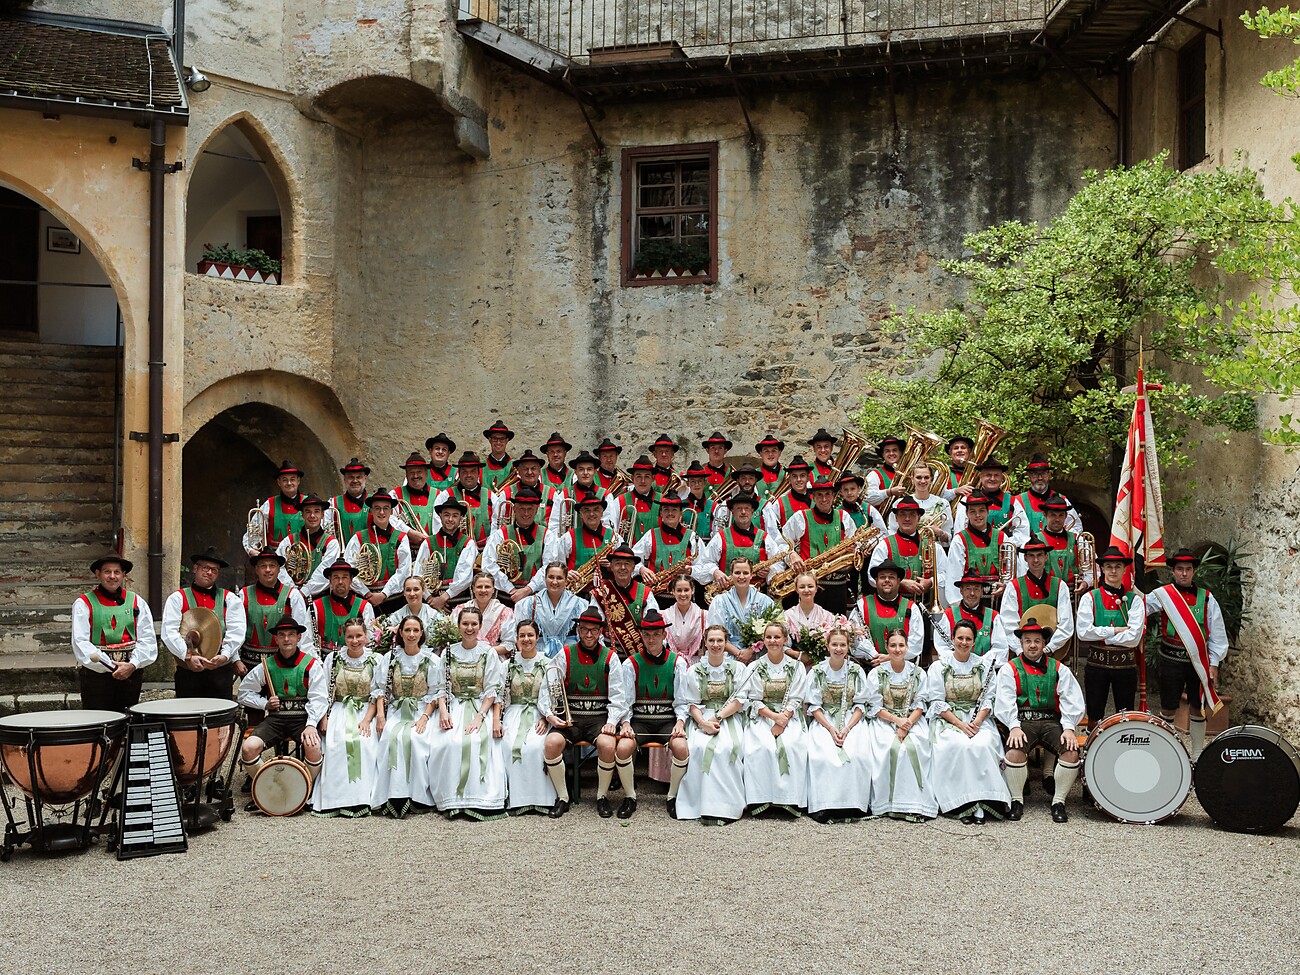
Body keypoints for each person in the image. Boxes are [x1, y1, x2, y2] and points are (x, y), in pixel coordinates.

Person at [541, 607, 630, 819]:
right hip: (571, 718)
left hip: (598, 718)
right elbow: (548, 687)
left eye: (593, 630)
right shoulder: (565, 654)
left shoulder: (610, 657)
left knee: (607, 745)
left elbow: (619, 695)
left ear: (600, 632)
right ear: (578, 630)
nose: (589, 634)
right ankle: (563, 797)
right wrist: (549, 715)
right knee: (551, 744)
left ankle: (601, 796)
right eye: (584, 630)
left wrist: (612, 721)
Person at [993, 621, 1085, 822]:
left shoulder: (1059, 668)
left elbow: (1071, 699)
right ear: (1021, 644)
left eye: (1037, 641)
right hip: (1022, 722)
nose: (1032, 645)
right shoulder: (1010, 669)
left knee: (1071, 752)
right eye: (1027, 641)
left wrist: (1069, 728)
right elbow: (1005, 700)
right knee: (1014, 752)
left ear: (1044, 644)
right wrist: (1013, 726)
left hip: (1052, 722)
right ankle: (1017, 801)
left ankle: (1058, 802)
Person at [1144, 548, 1229, 761]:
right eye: (1180, 569)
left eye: (1188, 569)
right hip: (1170, 660)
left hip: (1197, 662)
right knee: (1168, 707)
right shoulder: (1163, 595)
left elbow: (1217, 633)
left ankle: (1197, 753)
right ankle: (1167, 754)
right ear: (1173, 571)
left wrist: (1214, 664)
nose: (1184, 573)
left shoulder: (1207, 598)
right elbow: (1140, 608)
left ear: (1194, 571)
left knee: (1198, 707)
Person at [236, 615, 327, 811]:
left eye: (291, 634)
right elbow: (243, 693)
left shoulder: (311, 665)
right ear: (276, 639)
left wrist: (311, 724)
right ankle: (266, 791)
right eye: (282, 635)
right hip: (275, 720)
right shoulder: (266, 666)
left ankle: (301, 792)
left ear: (298, 638)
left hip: (302, 719)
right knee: (248, 748)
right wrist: (265, 704)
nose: (287, 639)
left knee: (313, 747)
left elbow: (319, 698)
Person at [926, 618, 1010, 823]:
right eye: (960, 638)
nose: (963, 643)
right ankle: (961, 803)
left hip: (978, 719)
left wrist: (977, 723)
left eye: (968, 639)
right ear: (953, 638)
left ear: (974, 642)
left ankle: (985, 801)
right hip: (949, 719)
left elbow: (989, 698)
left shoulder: (983, 665)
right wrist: (960, 724)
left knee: (983, 744)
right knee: (958, 745)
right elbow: (937, 701)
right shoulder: (939, 666)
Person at [427, 605, 507, 819]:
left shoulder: (488, 652)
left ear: (480, 626)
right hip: (454, 706)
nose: (469, 628)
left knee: (478, 740)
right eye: (465, 624)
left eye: (473, 624)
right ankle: (452, 798)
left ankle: (480, 798)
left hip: (481, 706)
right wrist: (443, 711)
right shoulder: (449, 652)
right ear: (458, 625)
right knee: (449, 742)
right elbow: (441, 686)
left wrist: (480, 717)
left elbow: (492, 689)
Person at [618, 609, 690, 819]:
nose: (651, 639)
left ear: (664, 635)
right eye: (647, 635)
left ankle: (672, 797)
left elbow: (682, 699)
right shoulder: (630, 664)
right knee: (623, 748)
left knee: (681, 747)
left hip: (667, 720)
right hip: (640, 721)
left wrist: (680, 722)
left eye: (656, 634)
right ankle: (630, 796)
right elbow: (625, 700)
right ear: (641, 635)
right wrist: (625, 723)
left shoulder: (677, 662)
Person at [675, 624, 749, 823]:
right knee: (699, 747)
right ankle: (701, 804)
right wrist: (702, 722)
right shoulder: (694, 670)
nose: (716, 644)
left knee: (728, 747)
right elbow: (692, 703)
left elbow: (739, 700)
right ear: (705, 644)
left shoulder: (737, 669)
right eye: (711, 640)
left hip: (729, 715)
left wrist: (716, 718)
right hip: (702, 716)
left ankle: (727, 805)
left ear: (726, 643)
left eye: (720, 640)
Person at [313, 618, 383, 817]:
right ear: (344, 637)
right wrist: (324, 717)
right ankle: (335, 799)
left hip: (365, 709)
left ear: (366, 636)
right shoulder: (334, 658)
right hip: (339, 708)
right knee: (337, 743)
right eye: (350, 636)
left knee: (366, 743)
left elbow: (378, 692)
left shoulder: (376, 659)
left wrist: (368, 719)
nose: (354, 641)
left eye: (359, 636)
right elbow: (325, 690)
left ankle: (362, 797)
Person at [864, 629, 937, 820]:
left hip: (912, 720)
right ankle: (887, 802)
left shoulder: (918, 672)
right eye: (893, 646)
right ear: (886, 648)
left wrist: (907, 724)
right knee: (888, 746)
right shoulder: (876, 673)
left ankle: (915, 801)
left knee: (918, 745)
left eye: (901, 645)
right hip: (885, 719)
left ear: (907, 647)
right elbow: (874, 706)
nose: (897, 650)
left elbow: (920, 704)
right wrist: (897, 721)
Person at [71, 552, 158, 711]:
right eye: (107, 572)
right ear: (98, 574)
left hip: (130, 674)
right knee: (98, 720)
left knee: (127, 718)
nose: (112, 576)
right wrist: (111, 666)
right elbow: (80, 642)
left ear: (123, 575)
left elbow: (147, 638)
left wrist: (132, 665)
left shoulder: (137, 601)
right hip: (97, 676)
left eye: (117, 572)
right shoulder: (83, 603)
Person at [804, 627, 873, 822]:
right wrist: (831, 728)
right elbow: (814, 706)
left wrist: (847, 728)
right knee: (823, 755)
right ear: (827, 646)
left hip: (851, 719)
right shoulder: (817, 671)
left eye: (843, 645)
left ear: (848, 647)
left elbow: (860, 704)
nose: (838, 648)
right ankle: (825, 804)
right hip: (825, 719)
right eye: (834, 644)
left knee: (857, 754)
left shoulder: (856, 671)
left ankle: (854, 803)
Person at [372, 615, 437, 816]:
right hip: (396, 709)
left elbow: (435, 693)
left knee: (416, 740)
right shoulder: (390, 658)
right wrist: (381, 716)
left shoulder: (431, 659)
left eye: (415, 630)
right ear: (400, 632)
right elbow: (380, 690)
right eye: (407, 630)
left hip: (421, 709)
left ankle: (417, 795)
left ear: (421, 633)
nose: (411, 634)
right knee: (390, 737)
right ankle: (392, 794)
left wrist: (424, 718)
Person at [159, 546, 244, 699]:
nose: (209, 572)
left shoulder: (230, 599)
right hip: (188, 671)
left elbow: (236, 631)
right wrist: (187, 656)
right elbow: (169, 632)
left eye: (214, 570)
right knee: (188, 711)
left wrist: (225, 656)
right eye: (205, 568)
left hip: (220, 673)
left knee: (220, 712)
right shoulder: (177, 598)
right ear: (195, 569)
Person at [742, 620, 809, 814]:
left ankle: (789, 799)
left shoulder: (797, 667)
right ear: (763, 640)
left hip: (789, 715)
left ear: (785, 640)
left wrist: (783, 719)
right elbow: (754, 699)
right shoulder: (754, 666)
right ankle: (760, 799)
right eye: (769, 637)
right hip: (763, 714)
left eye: (777, 637)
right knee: (761, 747)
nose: (773, 641)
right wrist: (774, 717)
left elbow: (797, 697)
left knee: (792, 745)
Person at [1077, 546, 1147, 727]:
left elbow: (1134, 638)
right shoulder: (1089, 598)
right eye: (1109, 566)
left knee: (1125, 716)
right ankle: (1092, 744)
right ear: (1102, 569)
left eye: (1117, 566)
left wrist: (1101, 636)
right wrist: (1115, 631)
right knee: (1094, 715)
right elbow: (1083, 633)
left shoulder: (1135, 600)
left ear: (1124, 570)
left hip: (1125, 666)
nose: (1113, 571)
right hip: (1096, 665)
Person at [501, 620, 559, 814]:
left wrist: (545, 717)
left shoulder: (548, 663)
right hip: (514, 711)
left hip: (540, 714)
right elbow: (499, 695)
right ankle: (515, 798)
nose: (526, 639)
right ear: (516, 639)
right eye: (522, 636)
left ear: (537, 637)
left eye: (530, 635)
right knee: (508, 745)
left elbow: (554, 696)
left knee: (535, 746)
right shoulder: (508, 665)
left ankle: (540, 797)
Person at [782, 478, 861, 614]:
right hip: (810, 586)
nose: (824, 499)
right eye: (819, 495)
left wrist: (853, 550)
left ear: (833, 496)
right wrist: (792, 555)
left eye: (827, 494)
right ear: (813, 497)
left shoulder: (844, 517)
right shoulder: (800, 517)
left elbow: (856, 544)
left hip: (838, 585)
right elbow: (782, 541)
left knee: (837, 624)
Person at [239, 547, 316, 678]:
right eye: (263, 566)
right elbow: (237, 630)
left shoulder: (293, 596)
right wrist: (236, 660)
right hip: (249, 665)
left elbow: (301, 635)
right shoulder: (244, 594)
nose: (268, 570)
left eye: (272, 566)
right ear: (256, 569)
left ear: (279, 569)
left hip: (283, 666)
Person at [693, 491, 786, 591]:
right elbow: (704, 563)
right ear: (732, 511)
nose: (743, 512)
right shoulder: (720, 537)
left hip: (758, 595)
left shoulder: (765, 538)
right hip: (726, 594)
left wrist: (770, 571)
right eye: (739, 508)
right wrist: (714, 571)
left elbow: (779, 564)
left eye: (747, 508)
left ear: (752, 511)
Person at [999, 536, 1074, 659]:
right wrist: (1020, 650)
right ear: (1025, 558)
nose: (1036, 560)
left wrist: (1050, 648)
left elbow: (1066, 624)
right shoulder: (1014, 586)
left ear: (1046, 557)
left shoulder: (1060, 586)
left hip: (1052, 653)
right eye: (1031, 556)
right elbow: (1008, 624)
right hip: (1022, 654)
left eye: (1039, 555)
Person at [345, 488, 412, 615]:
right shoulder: (358, 538)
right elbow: (349, 570)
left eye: (386, 508)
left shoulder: (401, 538)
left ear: (391, 511)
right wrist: (366, 593)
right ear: (371, 511)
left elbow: (404, 571)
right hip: (366, 600)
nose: (381, 512)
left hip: (395, 600)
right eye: (377, 508)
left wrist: (384, 593)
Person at [867, 496, 937, 608]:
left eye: (912, 515)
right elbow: (872, 577)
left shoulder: (931, 545)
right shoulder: (884, 545)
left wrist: (930, 582)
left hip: (925, 605)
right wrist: (900, 582)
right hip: (892, 606)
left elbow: (945, 574)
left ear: (919, 518)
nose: (907, 519)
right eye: (902, 514)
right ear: (896, 518)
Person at [849, 561, 924, 665]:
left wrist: (890, 657)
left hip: (902, 668)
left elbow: (916, 643)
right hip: (870, 667)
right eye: (882, 577)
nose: (887, 580)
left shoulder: (911, 608)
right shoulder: (862, 605)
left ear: (898, 581)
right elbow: (854, 639)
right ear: (876, 581)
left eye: (891, 577)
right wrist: (874, 656)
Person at [943, 492, 1010, 608]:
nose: (977, 515)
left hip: (998, 600)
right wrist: (959, 607)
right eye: (973, 512)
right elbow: (954, 575)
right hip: (969, 601)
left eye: (981, 511)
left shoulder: (1002, 537)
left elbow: (1010, 571)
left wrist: (1006, 586)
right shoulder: (959, 540)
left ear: (988, 512)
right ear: (967, 514)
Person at [483, 484, 548, 603]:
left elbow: (549, 567)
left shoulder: (547, 535)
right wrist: (510, 589)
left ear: (536, 510)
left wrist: (528, 589)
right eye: (522, 509)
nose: (526, 513)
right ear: (514, 509)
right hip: (505, 596)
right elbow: (488, 565)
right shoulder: (500, 534)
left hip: (536, 596)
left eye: (530, 509)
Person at [545, 494, 617, 599]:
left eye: (596, 510)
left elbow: (625, 569)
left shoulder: (613, 537)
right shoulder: (569, 537)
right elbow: (556, 564)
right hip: (575, 595)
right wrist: (565, 573)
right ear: (581, 514)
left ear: (602, 512)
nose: (591, 514)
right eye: (587, 510)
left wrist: (612, 566)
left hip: (606, 595)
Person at [705, 557, 775, 663]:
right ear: (731, 575)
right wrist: (739, 653)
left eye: (745, 573)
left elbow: (773, 631)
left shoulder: (765, 601)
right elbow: (714, 633)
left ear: (751, 575)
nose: (741, 577)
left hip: (758, 656)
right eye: (737, 573)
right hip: (728, 656)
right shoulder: (719, 601)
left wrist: (751, 651)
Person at [512, 562, 589, 658]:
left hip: (570, 654)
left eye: (559, 578)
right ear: (545, 578)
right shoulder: (527, 604)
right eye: (551, 577)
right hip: (537, 655)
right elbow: (518, 636)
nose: (554, 582)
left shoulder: (580, 604)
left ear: (566, 580)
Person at [935, 572, 1010, 668]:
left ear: (982, 592)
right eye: (968, 589)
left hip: (984, 669)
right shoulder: (948, 615)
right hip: (955, 669)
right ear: (961, 591)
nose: (972, 593)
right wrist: (958, 663)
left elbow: (1000, 648)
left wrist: (980, 664)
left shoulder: (993, 616)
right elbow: (942, 647)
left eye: (976, 589)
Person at [415, 495, 477, 610]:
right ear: (440, 515)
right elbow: (418, 574)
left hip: (459, 599)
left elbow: (465, 577)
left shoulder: (468, 543)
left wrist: (443, 598)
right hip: (431, 600)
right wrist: (429, 598)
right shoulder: (428, 543)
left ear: (461, 518)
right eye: (446, 515)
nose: (450, 519)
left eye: (455, 515)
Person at [632, 493, 699, 593]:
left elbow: (705, 565)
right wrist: (641, 569)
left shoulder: (692, 537)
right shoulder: (650, 535)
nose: (670, 513)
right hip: (656, 594)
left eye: (674, 510)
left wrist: (691, 570)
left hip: (683, 595)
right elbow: (632, 558)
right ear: (661, 513)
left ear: (681, 513)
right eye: (666, 509)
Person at [275, 494, 339, 598]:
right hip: (291, 595)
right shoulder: (289, 541)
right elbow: (279, 567)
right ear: (302, 515)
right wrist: (293, 591)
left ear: (322, 514)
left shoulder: (331, 543)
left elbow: (325, 571)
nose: (312, 516)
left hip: (322, 598)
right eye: (308, 511)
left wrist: (304, 592)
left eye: (316, 511)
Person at [242, 460, 305, 556]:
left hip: (303, 558)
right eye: (284, 480)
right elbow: (251, 536)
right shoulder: (269, 504)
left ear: (298, 481)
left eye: (292, 479)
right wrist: (256, 554)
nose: (289, 483)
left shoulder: (308, 504)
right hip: (275, 559)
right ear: (279, 482)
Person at [313, 559, 376, 655]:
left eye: (344, 577)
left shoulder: (365, 607)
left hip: (355, 657)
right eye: (336, 577)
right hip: (323, 658)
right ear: (330, 580)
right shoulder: (316, 606)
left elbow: (370, 641)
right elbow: (307, 642)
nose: (340, 582)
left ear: (351, 580)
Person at [953, 458, 1023, 542]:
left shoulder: (1013, 501)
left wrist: (1005, 541)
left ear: (1002, 478)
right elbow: (959, 531)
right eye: (988, 475)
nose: (992, 479)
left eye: (996, 475)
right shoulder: (967, 500)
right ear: (981, 477)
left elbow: (1022, 532)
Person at [1014, 454, 1083, 538]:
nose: (1040, 478)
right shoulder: (1018, 501)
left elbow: (1076, 528)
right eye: (1035, 474)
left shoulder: (1063, 500)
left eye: (1043, 473)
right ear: (1029, 475)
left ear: (1049, 474)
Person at [453, 571, 516, 659]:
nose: (483, 590)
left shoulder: (504, 612)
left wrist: (484, 651)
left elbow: (509, 644)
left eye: (487, 587)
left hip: (493, 657)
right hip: (463, 656)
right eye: (479, 587)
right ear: (473, 589)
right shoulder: (460, 610)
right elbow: (453, 639)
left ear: (493, 589)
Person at [888, 463, 952, 545]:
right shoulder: (900, 503)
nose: (923, 481)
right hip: (906, 548)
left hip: (935, 550)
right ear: (912, 479)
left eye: (926, 477)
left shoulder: (943, 504)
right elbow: (892, 530)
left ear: (931, 479)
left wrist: (940, 532)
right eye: (918, 477)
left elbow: (949, 538)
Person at [435, 451, 491, 545]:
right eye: (464, 471)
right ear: (459, 473)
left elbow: (496, 528)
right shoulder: (445, 496)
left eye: (473, 471)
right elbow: (437, 525)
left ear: (479, 473)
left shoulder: (491, 497)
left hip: (484, 550)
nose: (469, 475)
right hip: (453, 548)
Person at [603, 454, 660, 544]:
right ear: (632, 478)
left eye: (647, 476)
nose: (642, 481)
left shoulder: (662, 501)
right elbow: (612, 531)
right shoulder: (619, 501)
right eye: (638, 476)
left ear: (653, 478)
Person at [784, 572, 836, 665]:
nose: (806, 590)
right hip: (793, 664)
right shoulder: (787, 616)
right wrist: (798, 655)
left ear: (816, 588)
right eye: (802, 587)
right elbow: (780, 644)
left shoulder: (826, 615)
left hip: (820, 665)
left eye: (810, 586)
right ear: (796, 589)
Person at [382, 575, 449, 647]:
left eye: (416, 589)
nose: (412, 593)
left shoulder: (434, 615)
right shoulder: (397, 616)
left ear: (423, 591)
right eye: (408, 590)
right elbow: (383, 631)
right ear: (404, 592)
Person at [490, 449, 545, 530]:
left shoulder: (551, 493)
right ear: (518, 471)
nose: (529, 472)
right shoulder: (506, 493)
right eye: (525, 469)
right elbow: (496, 522)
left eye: (533, 468)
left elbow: (555, 525)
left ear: (539, 471)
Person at [761, 455, 812, 539]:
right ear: (789, 479)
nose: (799, 479)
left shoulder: (817, 500)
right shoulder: (779, 504)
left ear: (808, 478)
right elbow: (773, 534)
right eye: (794, 476)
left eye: (802, 475)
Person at [394, 451, 437, 543]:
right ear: (406, 475)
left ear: (426, 473)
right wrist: (408, 532)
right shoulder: (395, 494)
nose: (415, 476)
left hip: (430, 548)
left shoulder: (438, 495)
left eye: (419, 472)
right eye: (411, 472)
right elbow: (390, 519)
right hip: (403, 548)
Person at [329, 458, 371, 542]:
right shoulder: (333, 503)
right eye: (351, 477)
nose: (355, 481)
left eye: (358, 477)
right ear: (344, 479)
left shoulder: (374, 502)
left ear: (365, 478)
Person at [865, 435, 906, 508]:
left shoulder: (908, 474)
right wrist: (889, 492)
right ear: (883, 455)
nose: (891, 453)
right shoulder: (874, 475)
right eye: (887, 451)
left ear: (900, 453)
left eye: (894, 450)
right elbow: (866, 498)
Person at [480, 419, 516, 496]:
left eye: (502, 439)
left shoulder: (514, 466)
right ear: (490, 440)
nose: (498, 442)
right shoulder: (480, 466)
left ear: (507, 440)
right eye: (495, 439)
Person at [939, 434, 975, 502]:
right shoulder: (943, 472)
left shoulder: (977, 472)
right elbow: (936, 496)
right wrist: (955, 491)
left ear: (969, 451)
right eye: (956, 448)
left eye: (963, 447)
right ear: (950, 452)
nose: (959, 450)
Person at [753, 433, 786, 503]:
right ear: (760, 454)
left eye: (774, 451)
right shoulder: (753, 475)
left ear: (779, 453)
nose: (770, 454)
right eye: (766, 451)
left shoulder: (788, 474)